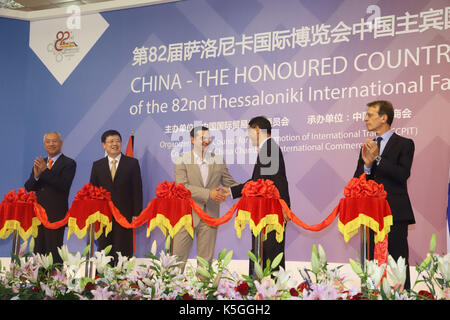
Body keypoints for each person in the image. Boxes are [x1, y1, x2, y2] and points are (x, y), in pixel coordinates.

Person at [354, 100, 415, 290]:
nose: (365, 119)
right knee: (370, 261)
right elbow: (358, 179)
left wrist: (378, 158)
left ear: (384, 118)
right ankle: (370, 293)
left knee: (398, 260)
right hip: (371, 214)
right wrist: (367, 165)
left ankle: (403, 294)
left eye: (370, 115)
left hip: (395, 212)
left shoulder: (404, 143)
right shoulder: (368, 146)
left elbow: (402, 174)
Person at [228, 116, 291, 276]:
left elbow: (263, 183)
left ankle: (267, 292)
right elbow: (259, 182)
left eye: (249, 131)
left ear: (257, 130)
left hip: (269, 213)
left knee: (270, 255)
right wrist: (231, 191)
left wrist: (285, 208)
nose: (248, 136)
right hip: (266, 212)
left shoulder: (269, 149)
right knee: (266, 253)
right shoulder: (268, 149)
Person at [173, 126, 238, 271]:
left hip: (210, 216)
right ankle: (170, 291)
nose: (206, 141)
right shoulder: (181, 160)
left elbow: (230, 183)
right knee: (177, 260)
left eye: (208, 138)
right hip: (186, 215)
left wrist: (251, 188)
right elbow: (182, 186)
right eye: (202, 138)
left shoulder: (218, 160)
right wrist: (209, 194)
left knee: (205, 261)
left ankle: (202, 292)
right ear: (192, 140)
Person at [89, 130, 143, 264]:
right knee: (104, 247)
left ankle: (124, 280)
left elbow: (137, 189)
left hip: (124, 214)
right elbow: (92, 190)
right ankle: (104, 279)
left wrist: (137, 213)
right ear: (104, 145)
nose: (115, 144)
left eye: (117, 141)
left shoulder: (132, 163)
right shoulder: (97, 165)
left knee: (123, 247)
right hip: (103, 216)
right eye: (111, 141)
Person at [24, 132, 76, 264]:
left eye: (54, 141)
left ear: (61, 143)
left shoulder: (69, 163)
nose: (51, 144)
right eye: (48, 141)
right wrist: (36, 176)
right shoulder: (42, 162)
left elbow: (63, 185)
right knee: (38, 250)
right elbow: (29, 187)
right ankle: (38, 283)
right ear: (44, 144)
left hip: (56, 215)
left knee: (54, 251)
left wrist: (45, 171)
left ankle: (56, 282)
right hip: (38, 213)